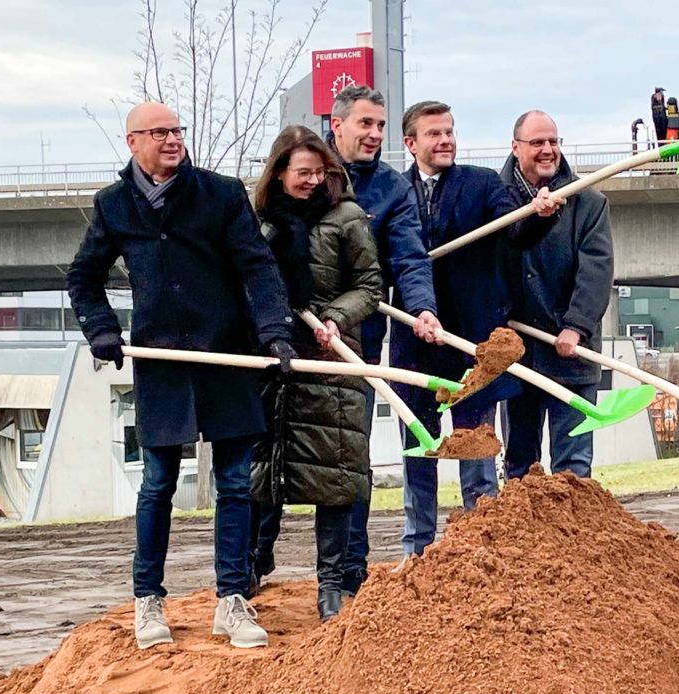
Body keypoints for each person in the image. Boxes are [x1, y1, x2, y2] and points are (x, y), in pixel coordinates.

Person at [67, 101, 296, 650]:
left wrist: (274, 331)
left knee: (237, 484)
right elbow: (83, 276)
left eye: (177, 131)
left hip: (227, 358)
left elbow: (257, 266)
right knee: (158, 484)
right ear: (133, 142)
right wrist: (101, 331)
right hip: (162, 363)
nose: (172, 140)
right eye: (159, 133)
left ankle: (232, 601)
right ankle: (149, 600)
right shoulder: (115, 205)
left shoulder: (219, 194)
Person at [394, 100, 561, 558]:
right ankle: (418, 551)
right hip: (416, 342)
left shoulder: (483, 185)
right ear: (411, 144)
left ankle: (483, 550)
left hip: (473, 345)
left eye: (449, 132)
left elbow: (516, 232)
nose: (445, 140)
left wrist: (539, 214)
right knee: (419, 449)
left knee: (477, 450)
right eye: (434, 134)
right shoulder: (395, 193)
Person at [248, 126, 382, 621]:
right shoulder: (258, 223)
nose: (311, 181)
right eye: (301, 172)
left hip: (330, 360)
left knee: (336, 476)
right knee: (265, 471)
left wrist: (336, 319)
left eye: (319, 172)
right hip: (272, 360)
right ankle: (251, 568)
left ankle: (331, 584)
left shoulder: (346, 217)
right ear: (279, 173)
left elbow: (370, 286)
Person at [326, 85, 441, 592]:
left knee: (352, 458)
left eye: (379, 126)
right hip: (296, 337)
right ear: (338, 124)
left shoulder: (393, 189)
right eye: (365, 124)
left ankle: (346, 576)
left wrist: (422, 309)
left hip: (360, 340)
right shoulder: (306, 168)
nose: (374, 134)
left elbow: (410, 257)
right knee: (278, 456)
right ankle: (253, 564)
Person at [499, 111, 614, 480]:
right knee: (520, 469)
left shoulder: (589, 202)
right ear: (516, 148)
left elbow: (596, 272)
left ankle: (574, 539)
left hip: (571, 356)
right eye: (537, 143)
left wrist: (576, 326)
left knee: (573, 470)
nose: (548, 150)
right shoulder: (494, 200)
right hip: (517, 354)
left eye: (553, 141)